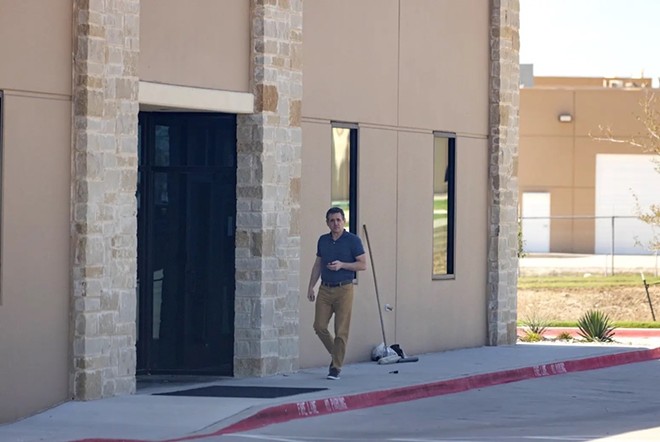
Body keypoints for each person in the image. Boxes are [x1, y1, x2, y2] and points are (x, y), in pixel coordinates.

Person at [307, 207, 367, 380]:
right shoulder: (323, 241)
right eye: (332, 220)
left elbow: (362, 264)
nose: (335, 223)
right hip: (325, 288)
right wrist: (311, 286)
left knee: (341, 330)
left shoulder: (352, 240)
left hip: (344, 288)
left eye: (338, 220)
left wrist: (342, 265)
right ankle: (337, 355)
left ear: (344, 221)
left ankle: (336, 367)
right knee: (319, 326)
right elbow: (318, 264)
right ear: (327, 223)